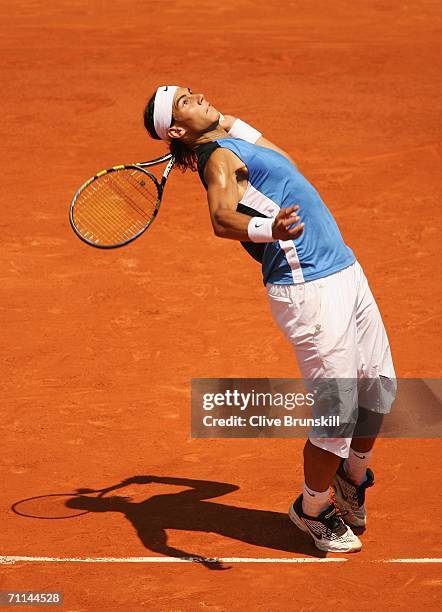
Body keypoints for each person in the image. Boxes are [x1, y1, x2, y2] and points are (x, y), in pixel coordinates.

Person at [143, 85, 396, 554]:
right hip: (308, 288)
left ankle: (351, 478)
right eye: (184, 101)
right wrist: (269, 228)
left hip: (344, 269)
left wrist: (224, 121)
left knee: (380, 386)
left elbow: (285, 160)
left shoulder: (233, 142)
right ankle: (312, 509)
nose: (196, 94)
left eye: (191, 90)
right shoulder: (217, 160)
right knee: (337, 414)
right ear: (177, 130)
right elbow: (221, 218)